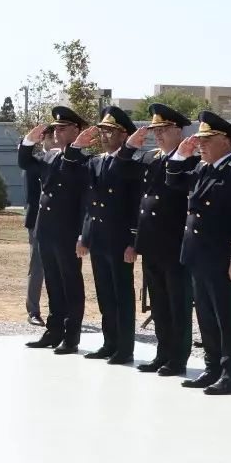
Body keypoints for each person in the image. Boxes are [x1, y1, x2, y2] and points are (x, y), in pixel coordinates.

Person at [166, 111, 231, 395]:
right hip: (198, 256)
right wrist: (181, 155)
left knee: (227, 319)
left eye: (208, 139)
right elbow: (173, 181)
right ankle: (212, 368)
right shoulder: (203, 169)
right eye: (201, 139)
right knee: (206, 316)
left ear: (227, 142)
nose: (201, 144)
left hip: (223, 259)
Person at [120, 103, 192, 375]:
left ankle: (178, 358)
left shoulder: (189, 159)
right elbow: (123, 168)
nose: (157, 135)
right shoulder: (150, 158)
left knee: (178, 305)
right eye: (154, 130)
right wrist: (130, 145)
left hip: (174, 244)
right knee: (159, 304)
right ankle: (163, 354)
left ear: (178, 131)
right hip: (151, 243)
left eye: (163, 130)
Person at [68, 107, 141, 364]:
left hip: (120, 240)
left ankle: (125, 347)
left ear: (124, 136)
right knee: (105, 295)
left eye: (110, 131)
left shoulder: (131, 165)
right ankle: (109, 342)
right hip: (98, 238)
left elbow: (135, 207)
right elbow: (89, 201)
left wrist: (133, 242)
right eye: (103, 130)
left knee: (122, 296)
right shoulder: (95, 161)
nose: (105, 135)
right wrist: (83, 236)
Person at [19, 106, 90, 354]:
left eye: (62, 128)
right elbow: (25, 162)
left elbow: (84, 202)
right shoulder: (49, 156)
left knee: (70, 284)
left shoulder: (84, 160)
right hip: (46, 231)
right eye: (55, 128)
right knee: (52, 283)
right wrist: (29, 139)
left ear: (76, 131)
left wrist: (83, 235)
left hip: (68, 233)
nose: (57, 132)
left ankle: (71, 337)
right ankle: (54, 330)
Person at [25, 144, 46, 327]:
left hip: (61, 223)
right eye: (50, 136)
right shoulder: (36, 161)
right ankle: (33, 311)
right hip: (37, 222)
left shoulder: (65, 158)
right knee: (37, 267)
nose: (54, 139)